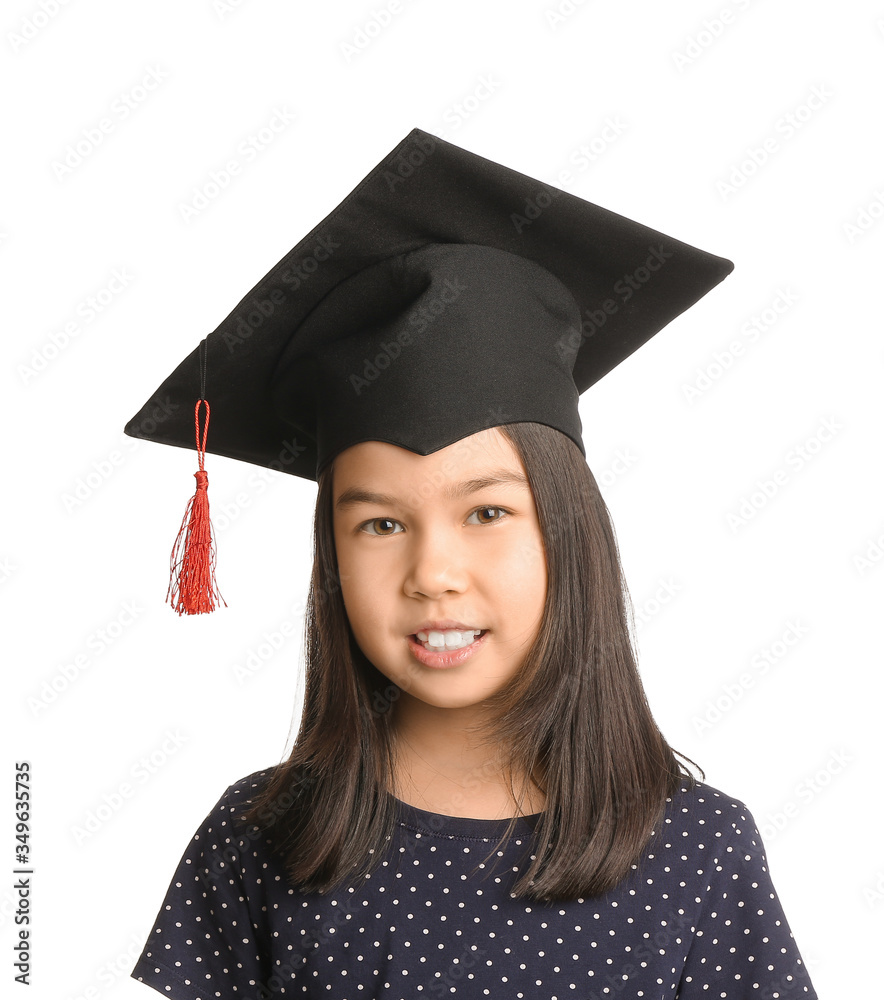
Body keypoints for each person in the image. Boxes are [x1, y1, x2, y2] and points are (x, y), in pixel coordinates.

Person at [125, 128, 818, 998]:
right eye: (379, 525)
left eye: (488, 512)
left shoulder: (695, 849)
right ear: (329, 556)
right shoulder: (262, 835)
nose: (433, 573)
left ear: (570, 534)